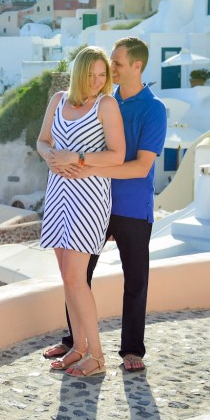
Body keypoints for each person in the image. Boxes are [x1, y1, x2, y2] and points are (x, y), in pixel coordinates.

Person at [44, 37, 166, 372]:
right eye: (108, 64)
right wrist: (68, 165)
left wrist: (80, 166)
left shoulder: (153, 109)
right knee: (77, 275)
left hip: (131, 204)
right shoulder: (106, 100)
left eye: (117, 64)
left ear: (137, 67)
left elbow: (141, 166)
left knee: (135, 278)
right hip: (94, 199)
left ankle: (130, 350)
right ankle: (75, 342)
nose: (110, 70)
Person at [37, 46, 125, 377]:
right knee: (67, 278)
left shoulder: (106, 104)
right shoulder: (59, 99)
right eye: (91, 74)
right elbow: (42, 141)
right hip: (58, 192)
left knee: (77, 278)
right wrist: (51, 156)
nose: (97, 81)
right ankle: (78, 347)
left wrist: (78, 158)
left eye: (103, 75)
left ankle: (98, 355)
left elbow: (118, 155)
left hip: (89, 195)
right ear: (79, 73)